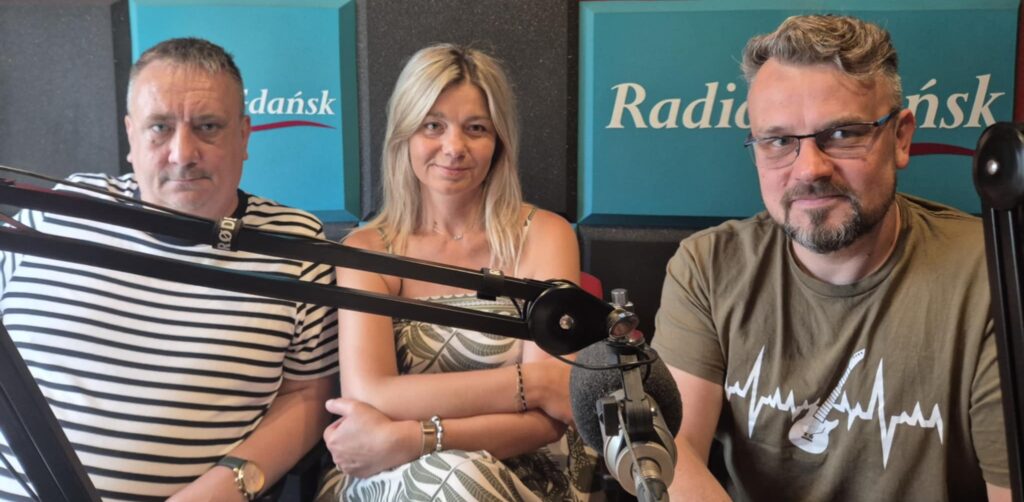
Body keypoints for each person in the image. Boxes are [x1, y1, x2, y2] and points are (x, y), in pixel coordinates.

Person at [651, 14, 1010, 501]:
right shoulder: (707, 267)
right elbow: (673, 457)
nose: (810, 169)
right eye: (779, 141)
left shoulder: (992, 275)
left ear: (901, 138)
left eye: (842, 134)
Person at [0, 38, 338, 500]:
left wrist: (230, 485)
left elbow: (310, 394)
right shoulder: (60, 209)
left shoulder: (296, 245)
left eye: (208, 127)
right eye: (159, 127)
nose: (182, 153)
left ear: (244, 136)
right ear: (131, 136)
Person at [317, 44, 598, 501]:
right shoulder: (366, 251)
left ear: (498, 141)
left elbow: (550, 420)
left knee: (462, 478)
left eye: (476, 128)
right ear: (405, 134)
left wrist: (412, 436)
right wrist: (531, 384)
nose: (454, 148)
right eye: (433, 125)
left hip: (526, 471)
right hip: (386, 470)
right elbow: (369, 395)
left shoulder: (545, 236)